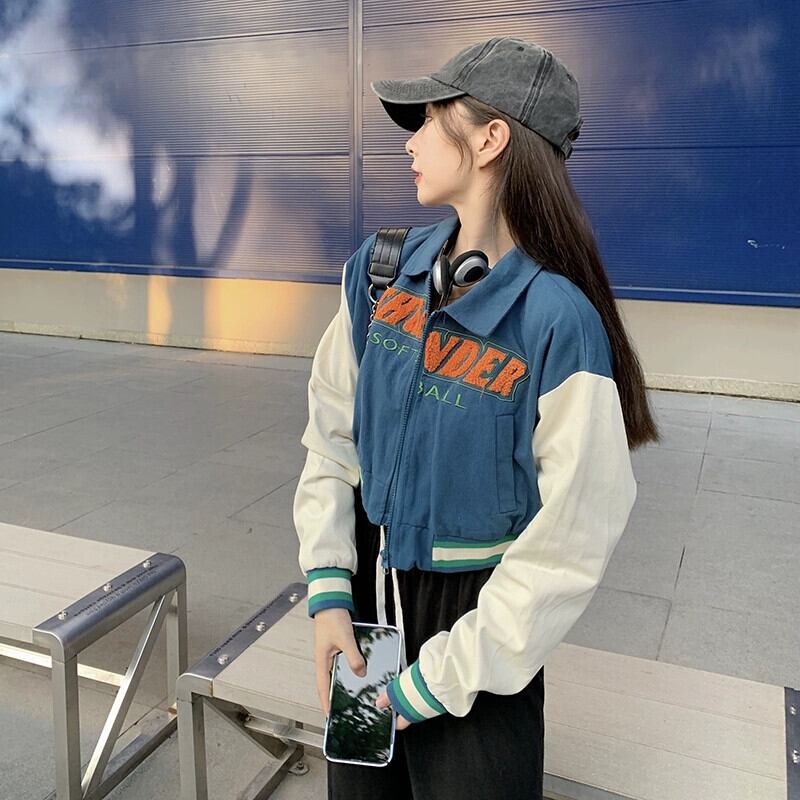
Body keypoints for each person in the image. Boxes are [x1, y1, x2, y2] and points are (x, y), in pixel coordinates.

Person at [293, 36, 660, 800]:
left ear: (491, 140)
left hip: (481, 638)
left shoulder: (559, 325)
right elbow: (331, 441)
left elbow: (571, 540)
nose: (411, 142)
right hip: (369, 612)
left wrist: (436, 680)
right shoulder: (379, 276)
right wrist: (330, 591)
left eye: (430, 119)